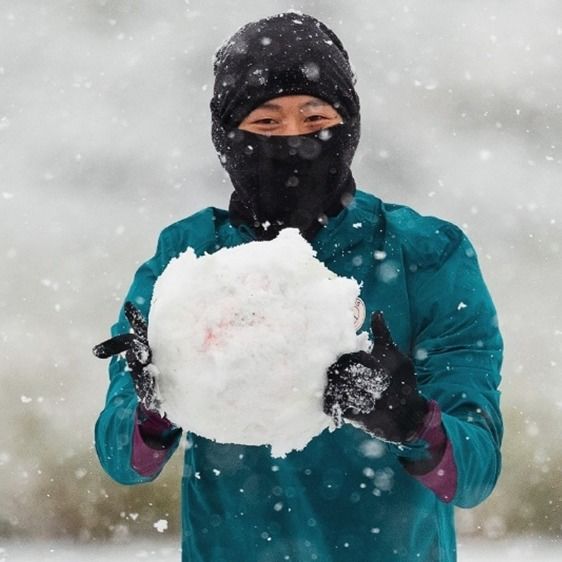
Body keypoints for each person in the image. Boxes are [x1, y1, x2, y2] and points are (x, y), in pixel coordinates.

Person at [93, 12, 503, 562]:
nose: (294, 142)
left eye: (315, 118)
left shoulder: (425, 254)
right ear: (227, 137)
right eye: (266, 124)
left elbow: (476, 473)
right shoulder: (189, 257)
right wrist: (155, 406)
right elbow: (124, 462)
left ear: (350, 124)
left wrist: (412, 420)